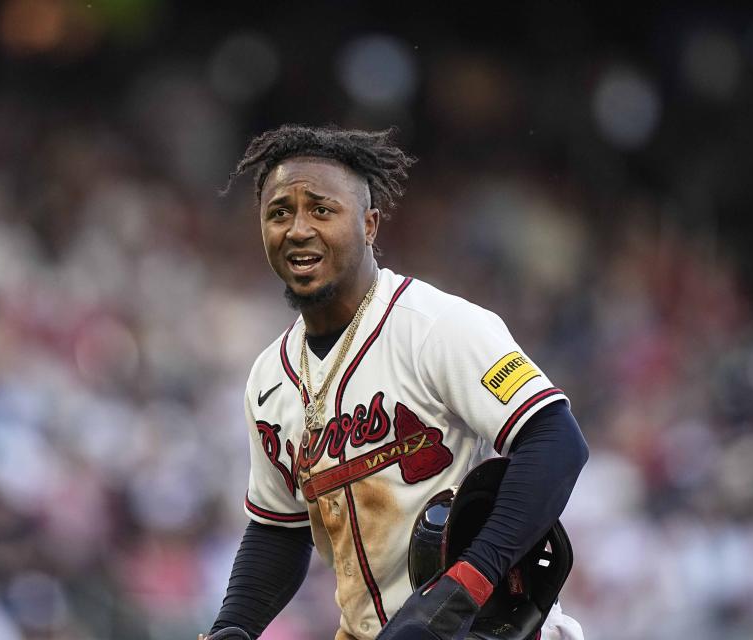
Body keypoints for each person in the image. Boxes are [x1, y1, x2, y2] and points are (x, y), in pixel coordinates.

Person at [203, 125, 589, 640]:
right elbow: (279, 527)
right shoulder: (269, 379)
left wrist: (462, 587)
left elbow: (556, 441)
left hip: (483, 627)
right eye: (279, 213)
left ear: (369, 225)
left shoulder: (435, 325)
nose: (297, 229)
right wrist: (234, 626)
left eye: (321, 209)